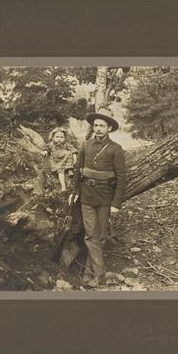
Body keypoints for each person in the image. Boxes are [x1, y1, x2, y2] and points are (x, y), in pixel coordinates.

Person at [74, 112, 126, 288]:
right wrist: (75, 191)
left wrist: (116, 203)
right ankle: (100, 275)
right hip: (86, 195)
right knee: (90, 235)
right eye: (95, 125)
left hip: (105, 197)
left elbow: (121, 178)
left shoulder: (116, 149)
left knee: (101, 237)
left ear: (109, 128)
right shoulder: (85, 145)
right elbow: (77, 169)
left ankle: (88, 274)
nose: (98, 129)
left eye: (101, 126)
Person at [42, 127, 77, 191]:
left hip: (65, 161)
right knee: (60, 172)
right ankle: (63, 187)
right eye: (57, 137)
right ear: (53, 138)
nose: (59, 139)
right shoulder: (52, 144)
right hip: (56, 161)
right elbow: (47, 147)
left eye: (61, 137)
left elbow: (73, 150)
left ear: (65, 138)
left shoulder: (66, 144)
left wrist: (74, 156)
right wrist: (46, 151)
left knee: (69, 153)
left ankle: (69, 169)